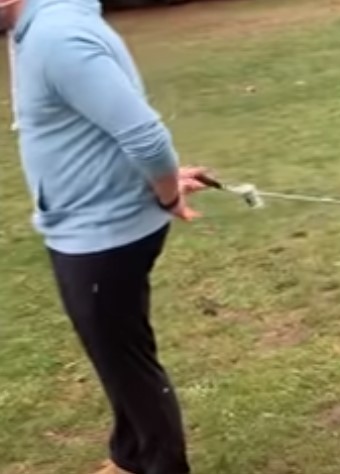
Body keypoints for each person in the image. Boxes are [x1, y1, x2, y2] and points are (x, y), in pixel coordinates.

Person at [2, 0, 206, 472]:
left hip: (101, 239)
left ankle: (160, 465)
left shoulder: (57, 37)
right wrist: (165, 179)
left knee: (128, 366)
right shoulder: (38, 30)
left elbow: (146, 138)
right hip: (87, 229)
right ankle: (132, 455)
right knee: (117, 357)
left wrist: (168, 193)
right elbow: (101, 127)